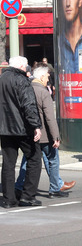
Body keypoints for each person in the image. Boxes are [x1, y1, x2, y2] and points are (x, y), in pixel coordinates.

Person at [15, 65, 75, 198]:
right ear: (41, 77)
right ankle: (55, 188)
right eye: (47, 76)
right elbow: (49, 117)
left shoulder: (26, 90)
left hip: (30, 133)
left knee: (28, 160)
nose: (48, 78)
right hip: (44, 134)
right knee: (53, 159)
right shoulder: (43, 92)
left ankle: (19, 186)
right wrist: (56, 136)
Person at [0, 56, 43, 208]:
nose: (27, 69)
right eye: (25, 66)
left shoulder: (2, 78)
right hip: (23, 129)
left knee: (8, 163)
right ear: (20, 66)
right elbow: (29, 105)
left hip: (5, 129)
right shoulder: (21, 81)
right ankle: (27, 196)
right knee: (34, 158)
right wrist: (36, 126)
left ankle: (8, 198)